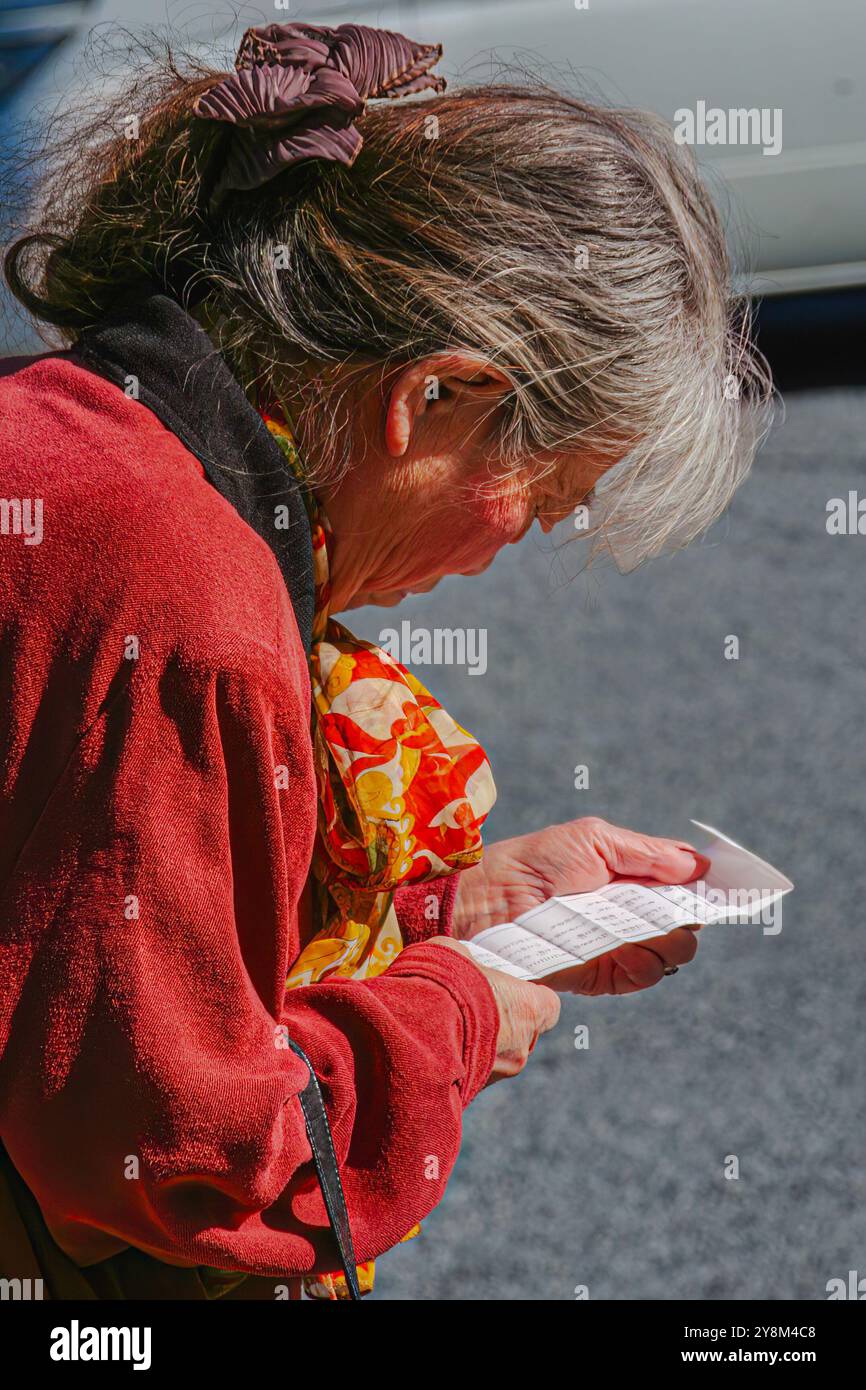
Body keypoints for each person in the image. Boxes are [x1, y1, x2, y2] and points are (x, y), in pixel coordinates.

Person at [0, 21, 769, 1299]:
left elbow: (82, 925)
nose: (502, 552)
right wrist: (450, 1013)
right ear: (431, 398)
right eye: (542, 492)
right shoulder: (184, 600)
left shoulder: (77, 433)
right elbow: (171, 1157)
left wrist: (448, 912)